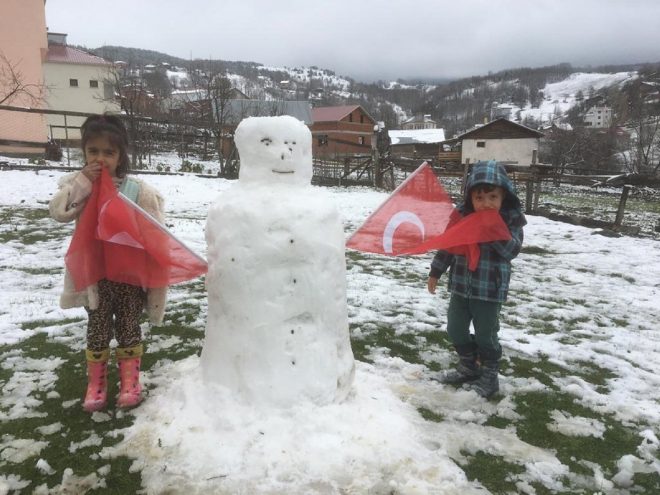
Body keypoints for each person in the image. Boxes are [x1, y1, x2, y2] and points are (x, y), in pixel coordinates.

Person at [49, 114, 167, 412]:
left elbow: (155, 228)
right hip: (95, 275)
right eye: (93, 151)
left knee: (129, 325)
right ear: (84, 152)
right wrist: (83, 182)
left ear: (120, 155)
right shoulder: (77, 185)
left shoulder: (137, 189)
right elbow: (61, 212)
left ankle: (130, 383)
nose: (100, 158)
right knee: (98, 327)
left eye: (109, 152)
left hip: (128, 275)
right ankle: (96, 385)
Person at [427, 160, 526, 398]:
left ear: (504, 197)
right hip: (460, 286)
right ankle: (468, 366)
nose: (486, 204)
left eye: (493, 197)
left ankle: (489, 374)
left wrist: (493, 231)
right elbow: (448, 247)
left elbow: (512, 251)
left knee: (486, 334)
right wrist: (435, 271)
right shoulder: (462, 218)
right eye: (479, 198)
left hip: (489, 289)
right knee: (455, 328)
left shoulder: (510, 220)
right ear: (471, 198)